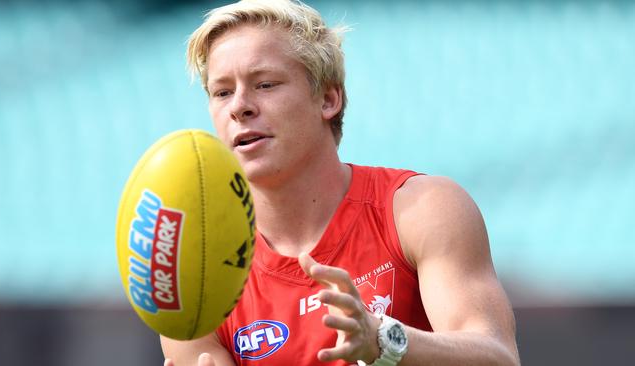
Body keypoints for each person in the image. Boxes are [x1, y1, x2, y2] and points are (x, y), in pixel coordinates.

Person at [163, 0, 520, 365]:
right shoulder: (197, 279)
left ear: (328, 99)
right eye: (222, 92)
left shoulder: (420, 209)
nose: (239, 106)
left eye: (265, 84)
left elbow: (499, 358)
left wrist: (384, 340)